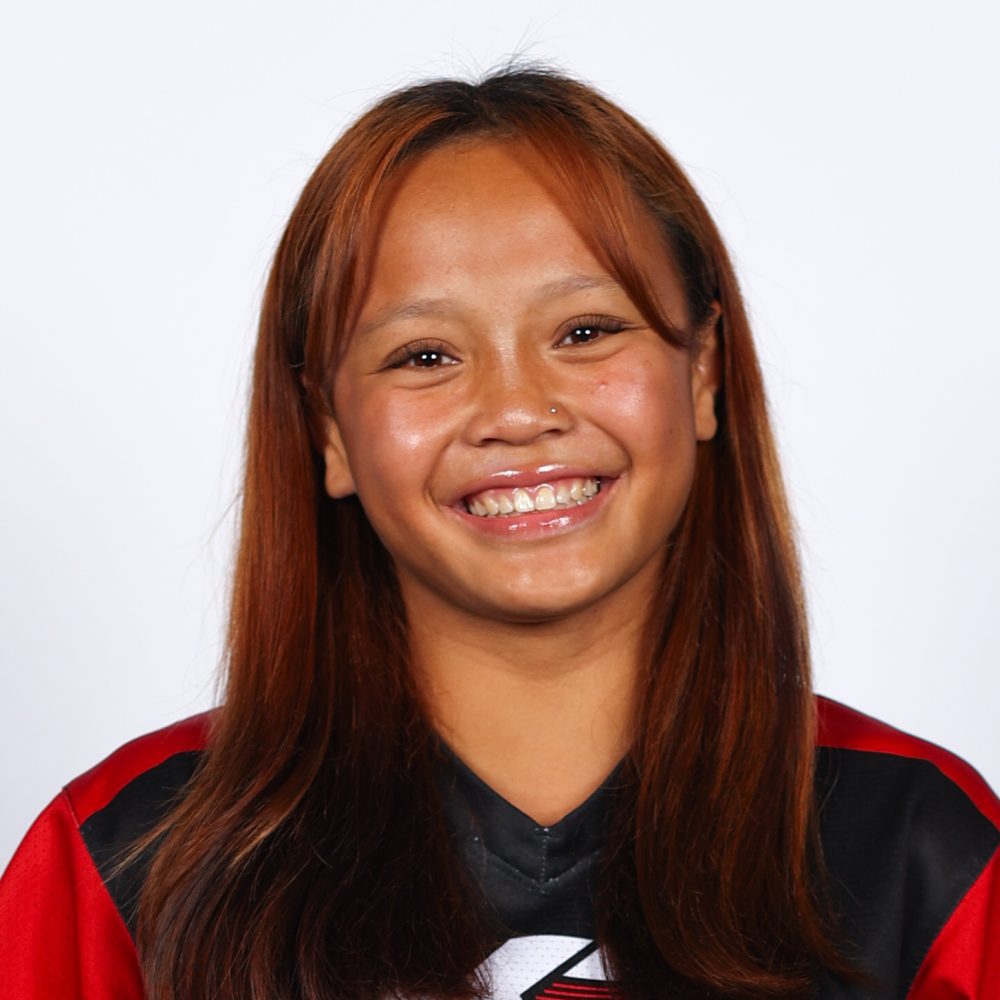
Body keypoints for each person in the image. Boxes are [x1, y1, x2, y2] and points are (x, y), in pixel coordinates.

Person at [1, 67, 997, 1000]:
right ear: (328, 430)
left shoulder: (927, 851)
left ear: (702, 371)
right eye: (424, 354)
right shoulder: (124, 861)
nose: (517, 411)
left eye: (585, 332)